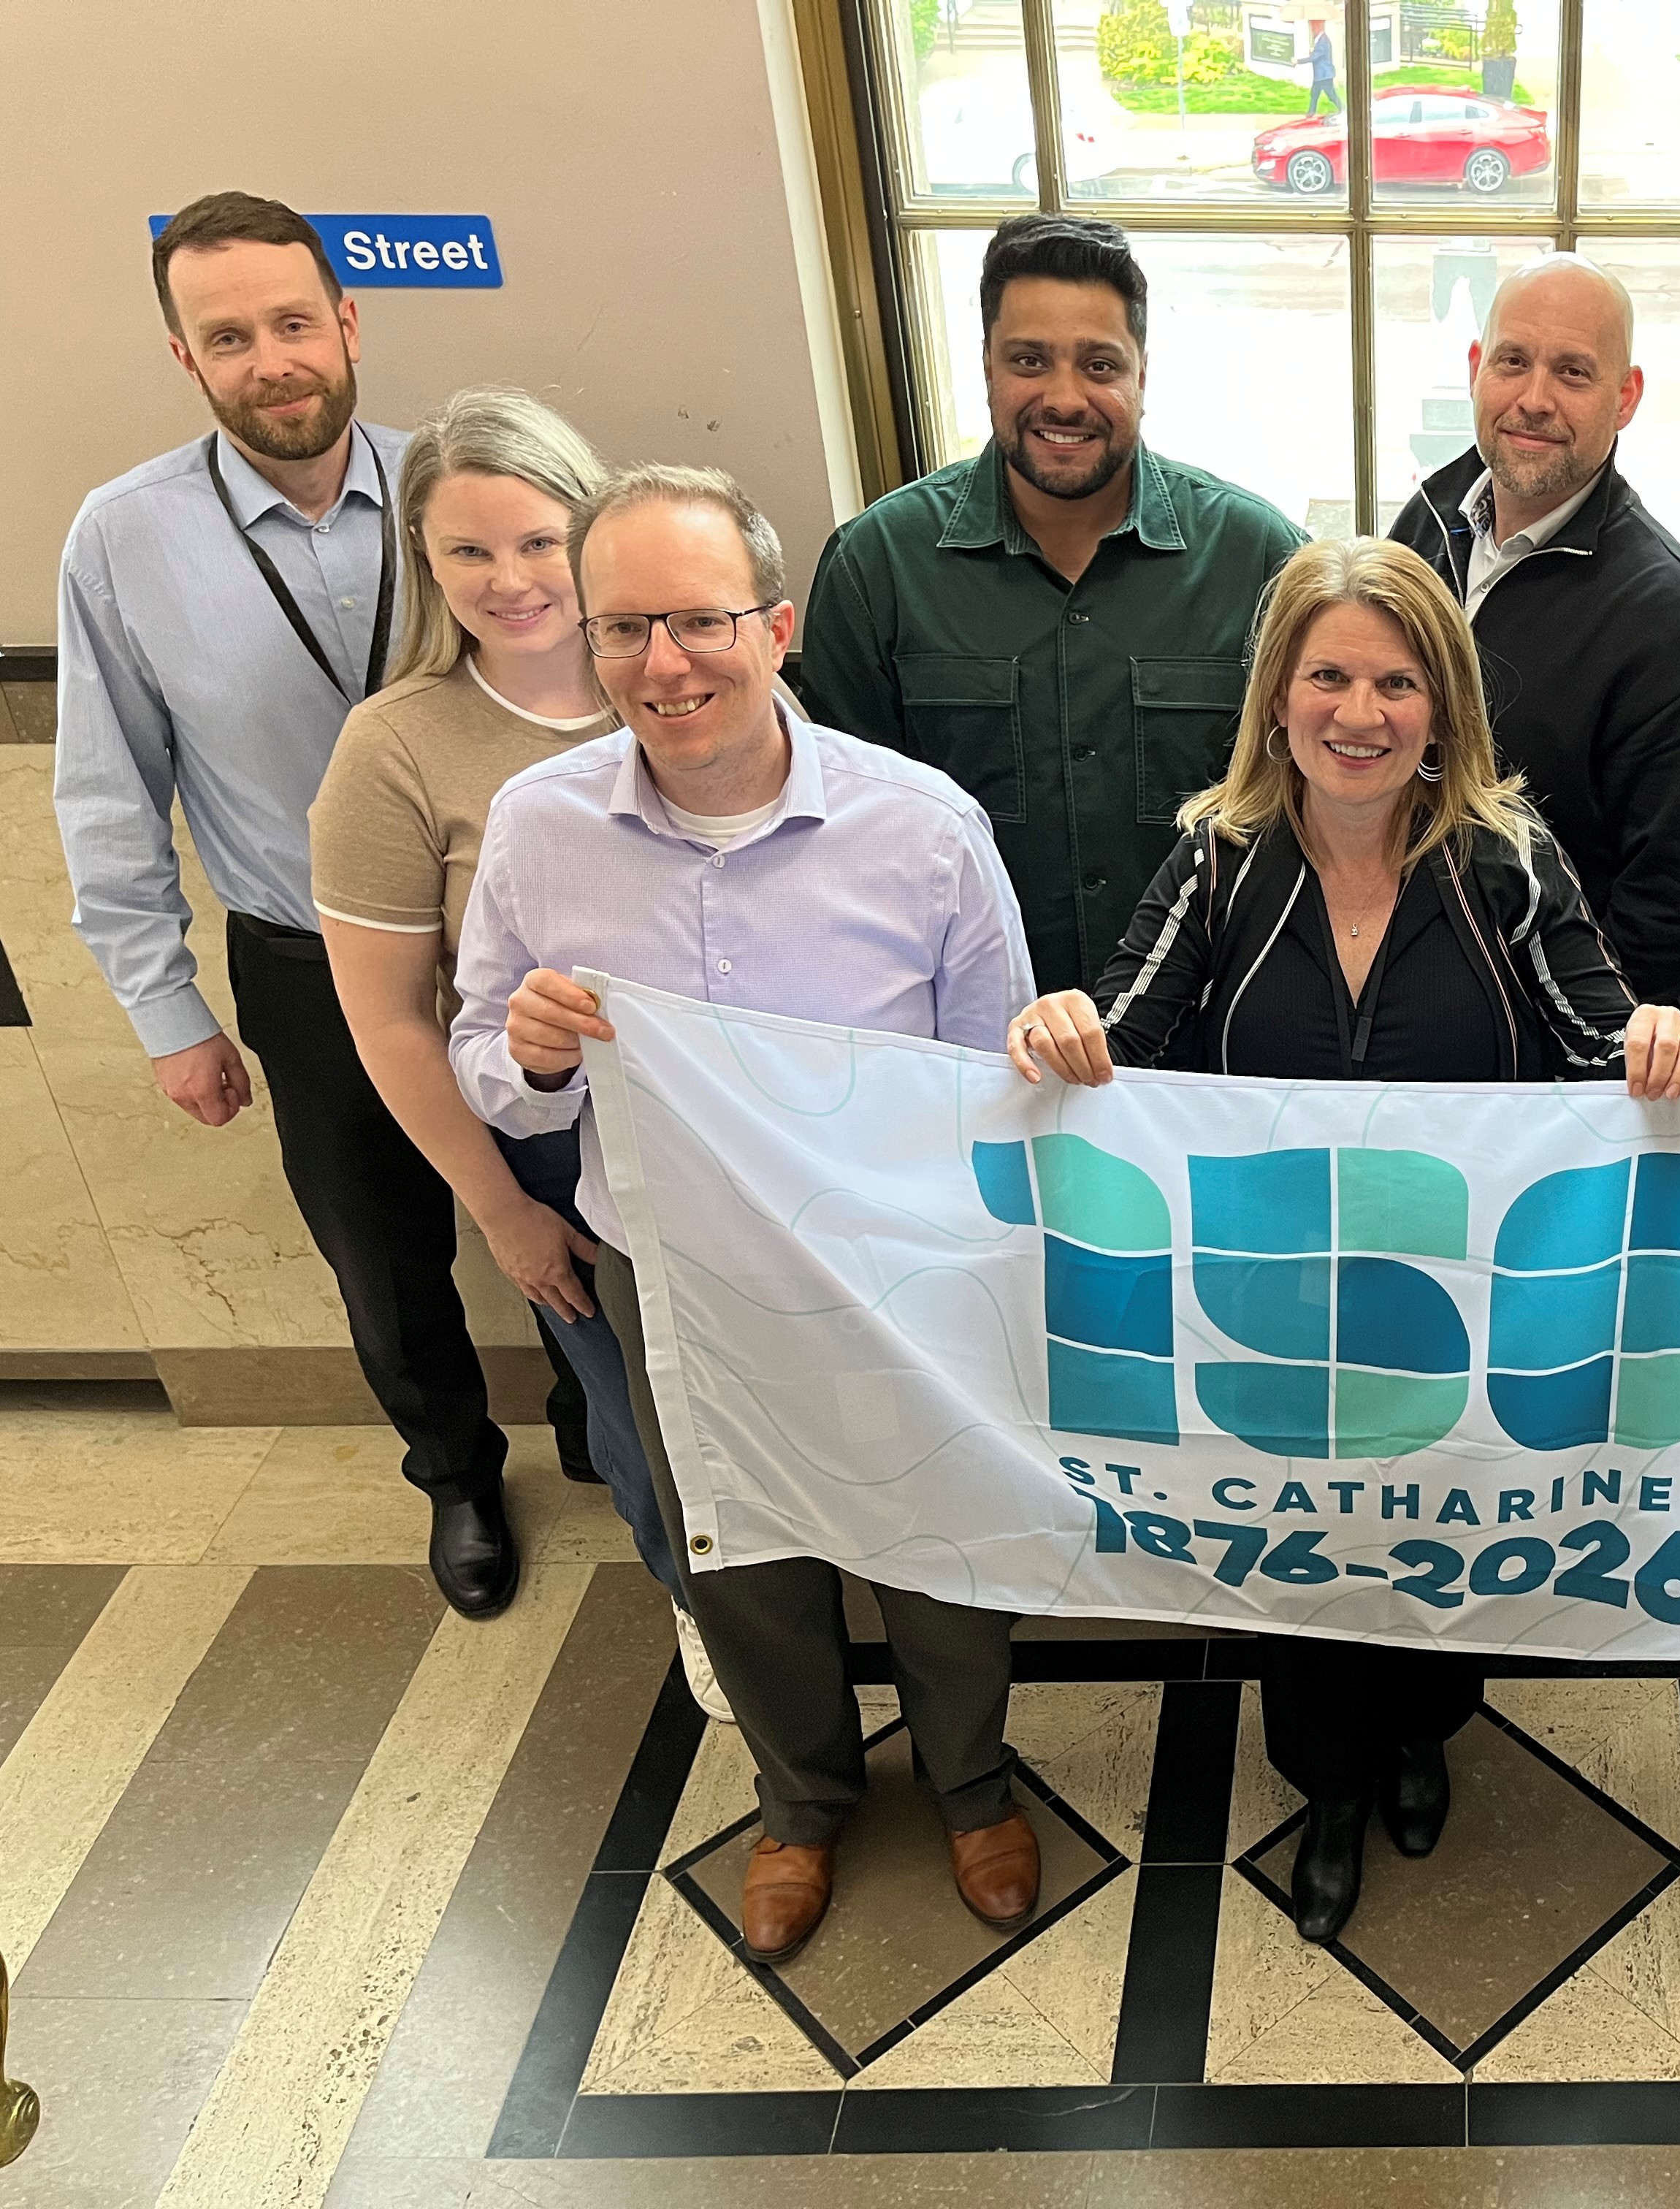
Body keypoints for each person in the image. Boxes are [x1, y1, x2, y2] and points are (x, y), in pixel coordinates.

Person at [1002, 535, 1680, 1942]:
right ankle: (1327, 1784)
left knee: (1440, 1539)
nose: (1360, 711)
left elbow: (1594, 1036)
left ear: (1441, 706)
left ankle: (1422, 1731)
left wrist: (1656, 1032)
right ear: (1278, 696)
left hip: (1460, 1306)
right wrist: (1054, 1026)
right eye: (1328, 673)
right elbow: (1125, 1034)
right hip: (1271, 1302)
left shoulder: (1506, 859)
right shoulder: (1218, 856)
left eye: (1397, 680)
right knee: (1304, 1563)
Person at [449, 465, 1042, 1960]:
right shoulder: (537, 827)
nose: (665, 665)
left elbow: (998, 1070)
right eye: (626, 628)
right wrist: (520, 1056)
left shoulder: (923, 830)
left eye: (701, 622)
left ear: (775, 627)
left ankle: (972, 1782)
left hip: (891, 1265)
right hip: (677, 1275)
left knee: (940, 1533)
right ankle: (801, 1799)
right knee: (740, 1548)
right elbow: (484, 1059)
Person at [54, 192, 518, 1618]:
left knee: (574, 1213)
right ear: (187, 358)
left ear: (350, 324)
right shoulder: (122, 538)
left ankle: (620, 1439)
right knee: (383, 1257)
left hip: (516, 953)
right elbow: (106, 788)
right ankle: (454, 1472)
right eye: (231, 335)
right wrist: (167, 1010)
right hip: (308, 963)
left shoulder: (463, 499)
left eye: (295, 322)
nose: (274, 359)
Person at [308, 387, 726, 1716]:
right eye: (467, 553)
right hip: (558, 1161)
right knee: (641, 1420)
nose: (512, 579)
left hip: (739, 1136)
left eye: (541, 541)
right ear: (423, 567)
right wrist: (502, 1212)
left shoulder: (692, 686)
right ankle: (704, 1608)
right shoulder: (397, 745)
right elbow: (389, 1017)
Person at [798, 213, 1305, 996]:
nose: (1064, 398)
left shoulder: (1263, 561)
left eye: (1100, 364)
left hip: (1210, 1041)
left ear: (1143, 374)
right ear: (989, 369)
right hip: (975, 1034)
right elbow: (847, 845)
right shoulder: (877, 568)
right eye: (1029, 360)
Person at [1389, 252, 1680, 1009]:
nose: (1534, 399)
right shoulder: (1421, 530)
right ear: (1474, 368)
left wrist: (1574, 1061)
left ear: (1626, 398)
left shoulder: (1675, 625)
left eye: (1574, 373)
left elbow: (1673, 914)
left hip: (1535, 1055)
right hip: (1393, 1002)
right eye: (1512, 362)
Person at [1304, 23, 1337, 114]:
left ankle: (1343, 109)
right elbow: (1317, 55)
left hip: (1324, 75)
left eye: (1313, 29)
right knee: (1314, 95)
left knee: (1331, 95)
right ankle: (1311, 113)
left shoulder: (1323, 41)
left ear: (1317, 28)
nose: (1312, 31)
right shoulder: (1320, 40)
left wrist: (1298, 61)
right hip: (1321, 75)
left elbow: (1315, 57)